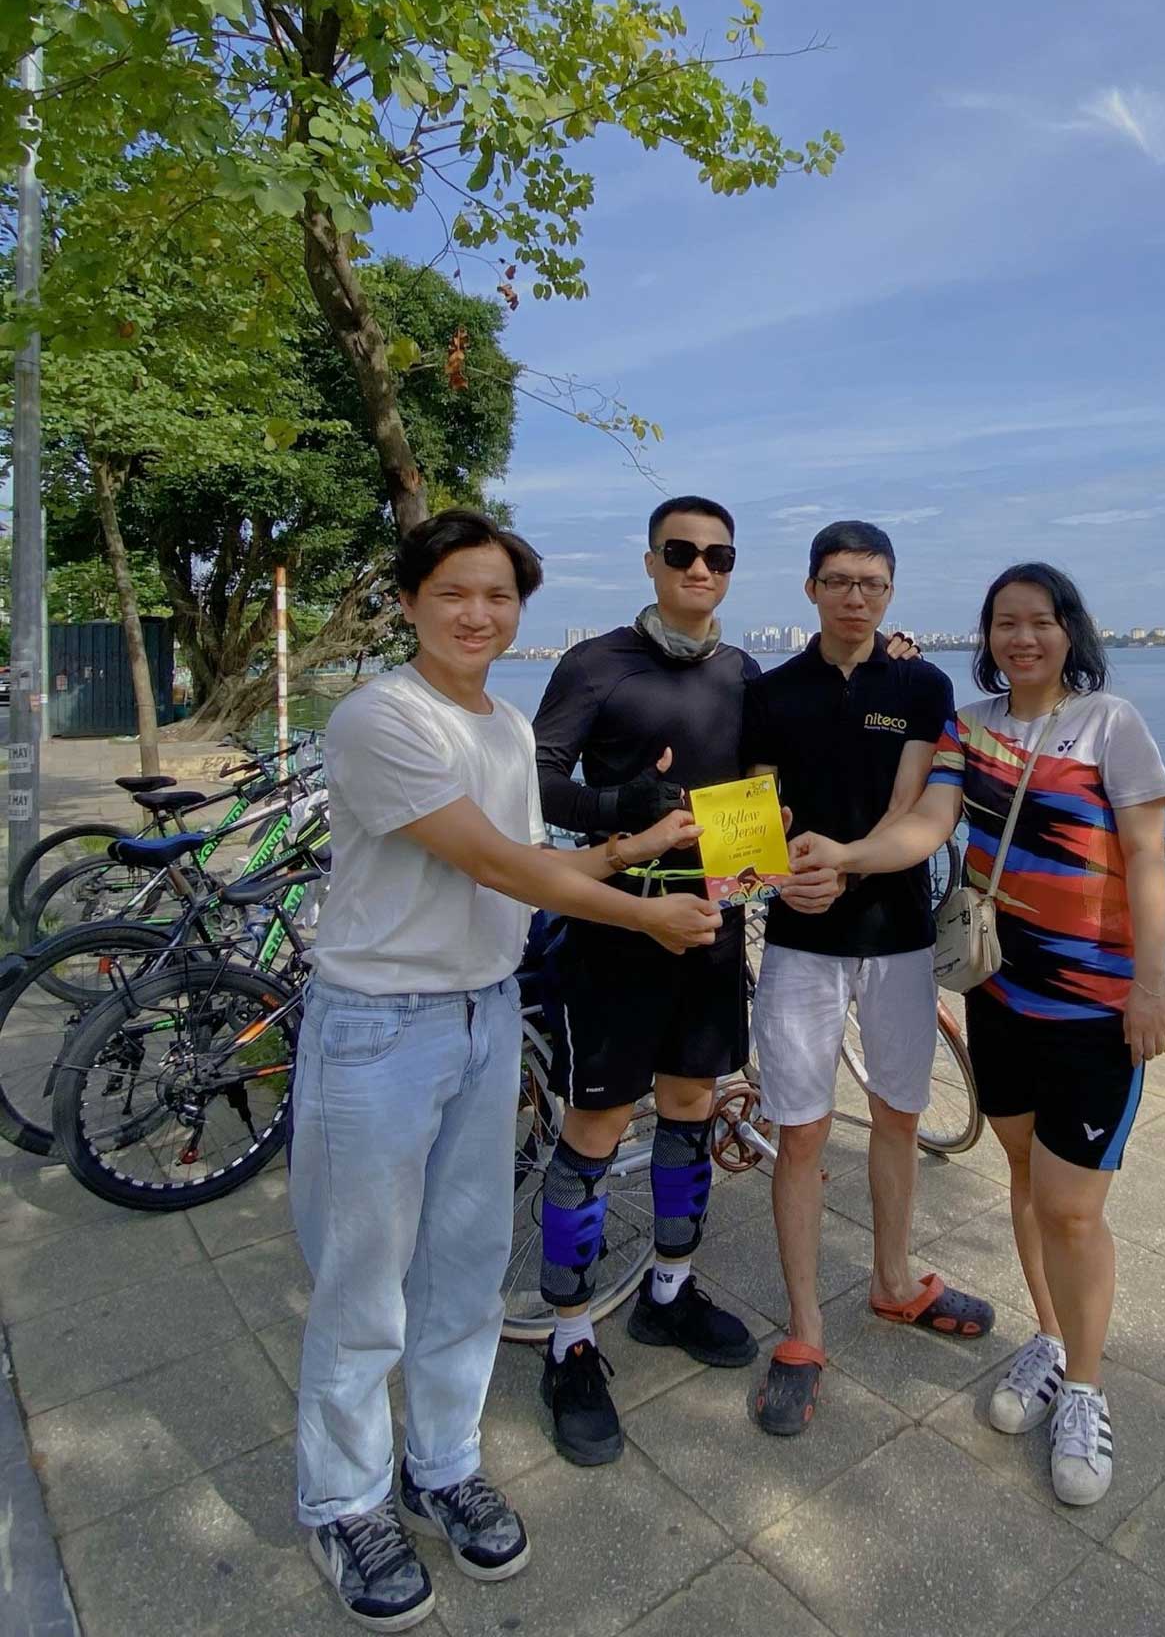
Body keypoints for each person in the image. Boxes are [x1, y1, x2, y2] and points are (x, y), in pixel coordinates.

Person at [294, 509, 720, 1630]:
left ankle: (442, 1460)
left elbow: (527, 861)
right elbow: (491, 859)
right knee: (362, 1276)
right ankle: (343, 1497)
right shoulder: (383, 715)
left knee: (469, 1263)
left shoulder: (497, 723)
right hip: (381, 1026)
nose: (479, 613)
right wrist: (643, 913)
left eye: (499, 595)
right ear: (408, 603)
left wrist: (629, 849)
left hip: (484, 1016)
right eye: (454, 593)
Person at [789, 562, 1165, 1506]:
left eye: (1039, 622)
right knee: (1023, 1182)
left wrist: (1151, 986)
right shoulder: (972, 727)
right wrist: (848, 854)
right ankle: (1049, 1339)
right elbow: (927, 822)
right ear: (988, 636)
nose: (1022, 639)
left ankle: (1083, 1389)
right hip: (1001, 995)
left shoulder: (1110, 724)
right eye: (1005, 624)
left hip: (1094, 1006)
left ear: (1068, 631)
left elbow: (1147, 858)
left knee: (1074, 1208)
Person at [741, 521, 996, 1435]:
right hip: (799, 950)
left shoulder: (923, 685)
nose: (857, 597)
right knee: (801, 1132)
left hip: (896, 941)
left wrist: (842, 865)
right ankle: (805, 1328)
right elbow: (753, 812)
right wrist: (779, 877)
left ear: (892, 593)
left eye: (874, 583)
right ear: (810, 588)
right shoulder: (768, 693)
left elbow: (916, 811)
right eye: (840, 580)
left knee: (897, 1114)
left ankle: (894, 1280)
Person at [530, 496, 762, 1466]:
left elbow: (764, 786)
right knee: (592, 1128)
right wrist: (616, 806)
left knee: (690, 1106)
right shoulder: (596, 663)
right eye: (681, 551)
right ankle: (569, 1335)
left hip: (714, 924)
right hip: (615, 926)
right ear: (652, 559)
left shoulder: (743, 672)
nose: (699, 567)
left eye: (716, 554)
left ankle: (669, 1288)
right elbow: (535, 774)